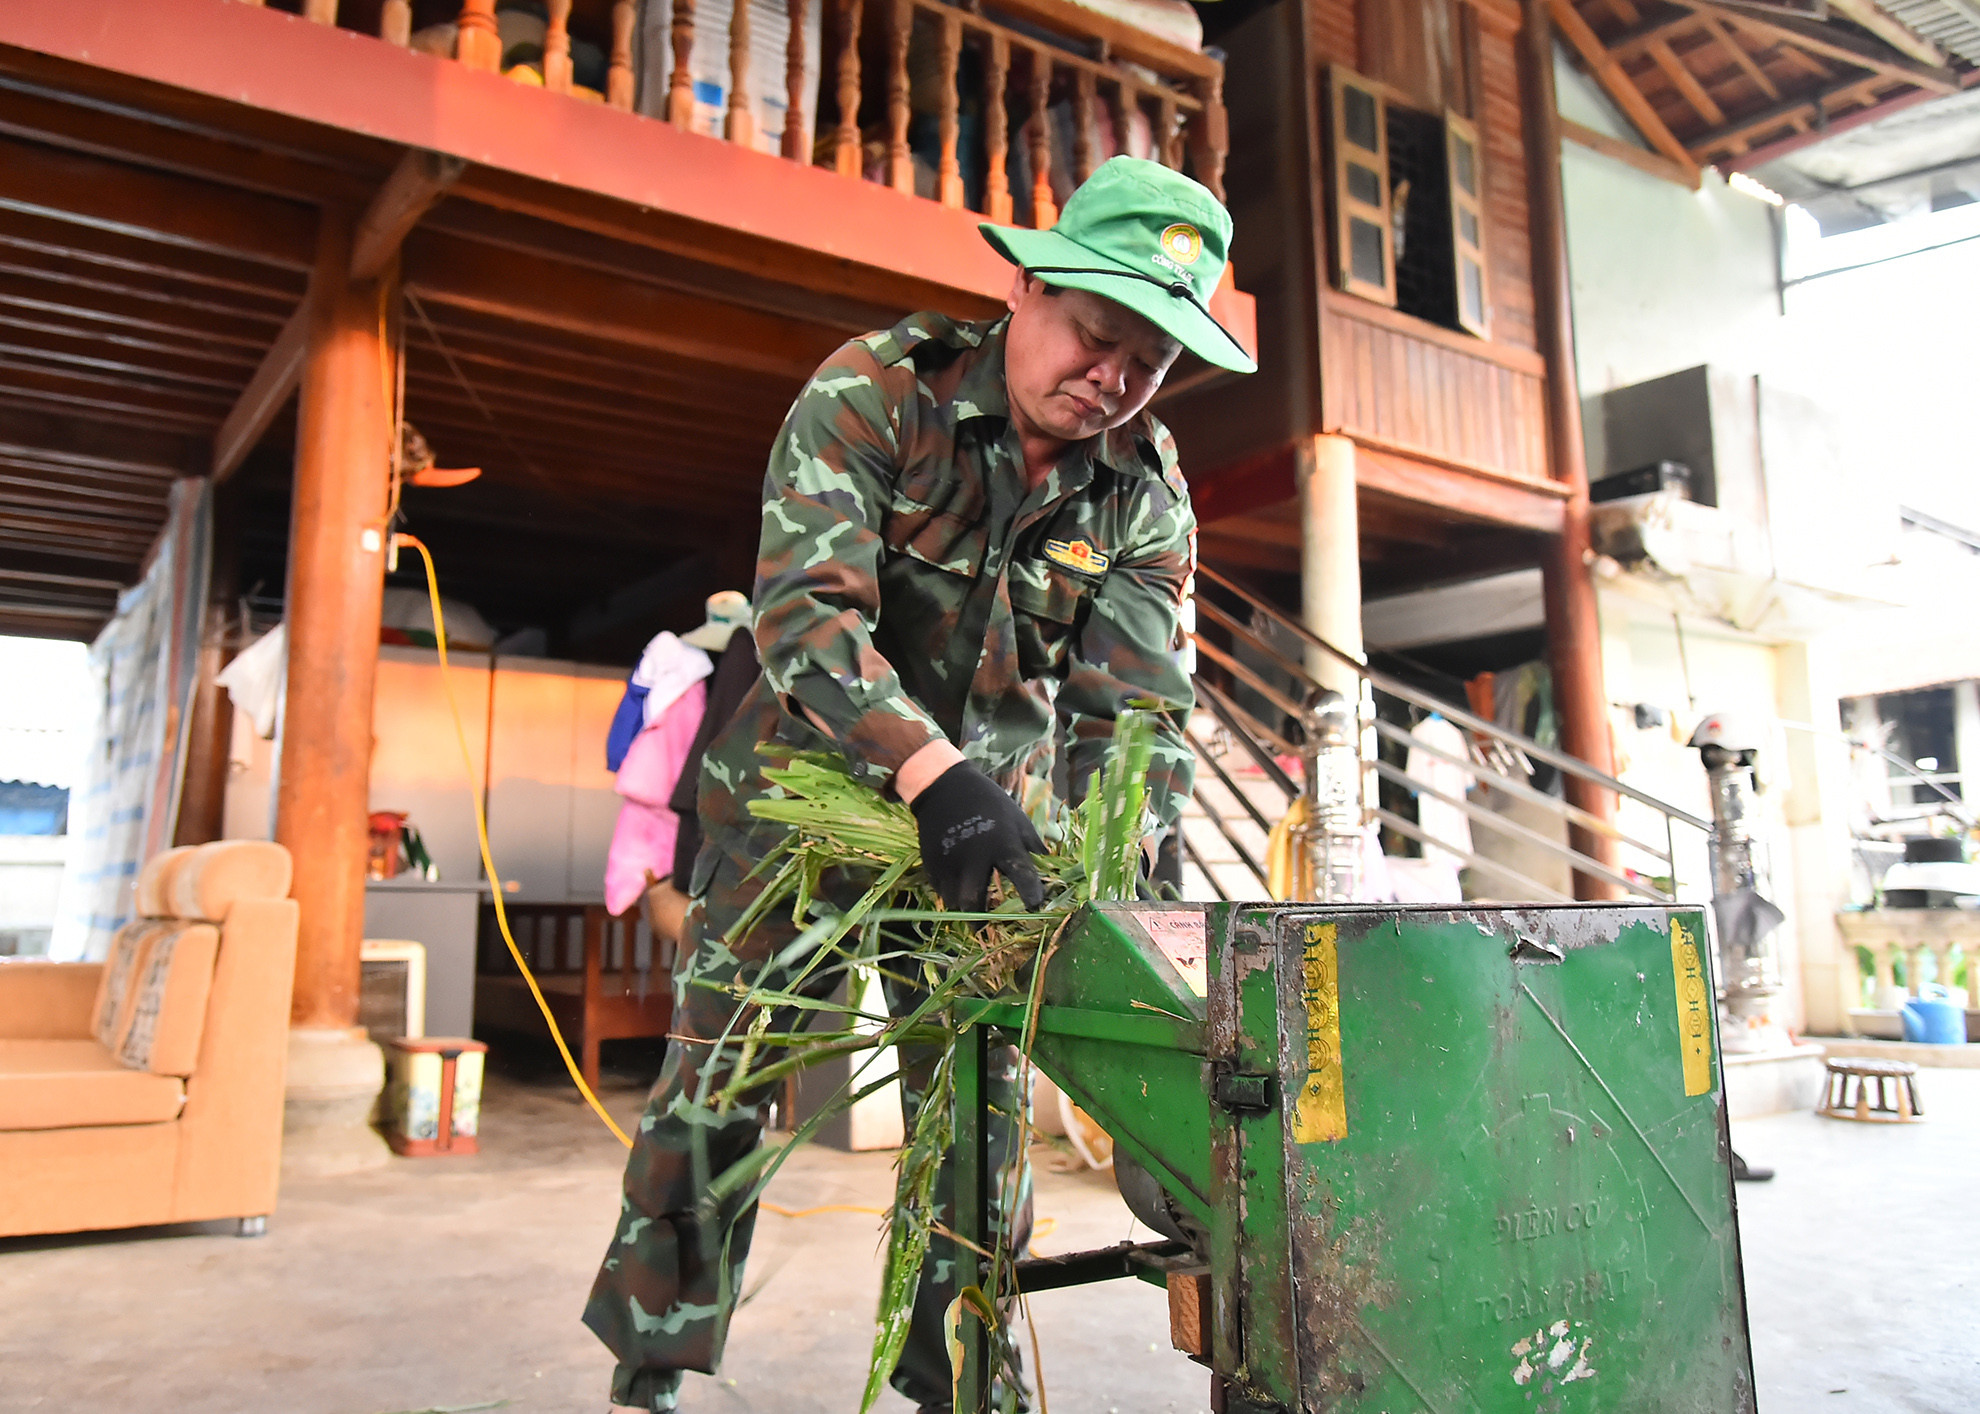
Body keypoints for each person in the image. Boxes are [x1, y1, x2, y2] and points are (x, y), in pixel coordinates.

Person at [583, 155, 1254, 1413]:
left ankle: (963, 1381)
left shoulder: (1144, 494)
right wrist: (930, 770)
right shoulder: (876, 392)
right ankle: (653, 1365)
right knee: (722, 1087)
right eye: (1097, 335)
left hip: (986, 838)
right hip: (801, 795)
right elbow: (805, 620)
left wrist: (1134, 872)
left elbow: (1139, 715)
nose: (1112, 379)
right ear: (1030, 284)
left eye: (1149, 362)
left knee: (979, 1123)